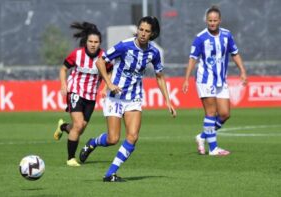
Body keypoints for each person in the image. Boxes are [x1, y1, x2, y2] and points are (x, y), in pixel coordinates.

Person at [79, 16, 177, 182]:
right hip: (115, 97)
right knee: (113, 139)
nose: (143, 33)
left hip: (134, 98)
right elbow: (100, 62)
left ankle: (110, 173)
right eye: (141, 29)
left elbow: (159, 77)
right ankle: (92, 143)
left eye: (147, 31)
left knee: (132, 136)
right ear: (137, 29)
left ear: (152, 33)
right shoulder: (124, 46)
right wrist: (108, 84)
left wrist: (168, 101)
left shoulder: (154, 52)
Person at [182, 6, 247, 156]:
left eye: (215, 20)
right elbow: (193, 59)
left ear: (220, 20)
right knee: (211, 112)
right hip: (205, 80)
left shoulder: (227, 35)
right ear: (206, 20)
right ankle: (213, 148)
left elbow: (235, 54)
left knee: (224, 114)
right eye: (210, 20)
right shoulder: (200, 38)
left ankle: (202, 136)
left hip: (221, 80)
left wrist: (242, 71)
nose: (212, 23)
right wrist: (186, 79)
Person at [53, 21, 112, 166]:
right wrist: (63, 84)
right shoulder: (77, 54)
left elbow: (109, 70)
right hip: (75, 91)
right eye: (90, 41)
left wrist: (105, 87)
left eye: (96, 42)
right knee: (78, 125)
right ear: (86, 42)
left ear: (100, 43)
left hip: (91, 96)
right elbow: (63, 69)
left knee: (79, 129)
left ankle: (63, 127)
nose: (93, 44)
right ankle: (70, 159)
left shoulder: (104, 57)